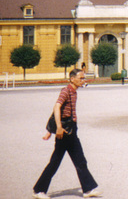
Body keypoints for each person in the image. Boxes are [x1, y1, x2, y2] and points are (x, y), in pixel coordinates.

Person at [33, 69, 101, 199]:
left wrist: (49, 131)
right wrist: (57, 128)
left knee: (80, 160)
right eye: (81, 78)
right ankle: (38, 190)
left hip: (71, 130)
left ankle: (88, 190)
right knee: (55, 162)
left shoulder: (74, 92)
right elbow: (56, 107)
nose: (83, 80)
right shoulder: (66, 91)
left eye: (83, 78)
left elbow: (59, 111)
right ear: (72, 79)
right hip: (64, 132)